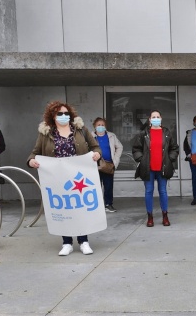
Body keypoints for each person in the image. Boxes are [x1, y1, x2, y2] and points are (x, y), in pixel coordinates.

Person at [27, 101, 101, 256]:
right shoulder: (45, 134)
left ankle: (83, 241)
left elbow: (95, 147)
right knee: (64, 209)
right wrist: (31, 161)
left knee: (80, 207)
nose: (63, 116)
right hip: (58, 178)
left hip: (78, 177)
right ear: (53, 116)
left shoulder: (80, 130)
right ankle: (66, 242)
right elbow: (34, 153)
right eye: (59, 113)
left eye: (66, 113)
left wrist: (97, 154)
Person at [131, 110, 179, 228]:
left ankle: (165, 216)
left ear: (161, 119)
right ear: (150, 120)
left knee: (163, 191)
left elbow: (174, 148)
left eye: (158, 116)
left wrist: (170, 159)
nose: (156, 118)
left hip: (163, 167)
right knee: (149, 191)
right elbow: (136, 149)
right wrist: (142, 160)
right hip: (148, 168)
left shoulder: (166, 133)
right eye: (154, 117)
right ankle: (150, 217)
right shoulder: (144, 133)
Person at [93, 117, 124, 213]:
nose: (101, 127)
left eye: (102, 125)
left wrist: (116, 160)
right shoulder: (91, 137)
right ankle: (95, 205)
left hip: (108, 166)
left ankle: (108, 204)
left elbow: (120, 147)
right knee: (95, 186)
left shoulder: (111, 136)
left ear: (105, 126)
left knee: (108, 186)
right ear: (95, 126)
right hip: (95, 166)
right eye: (98, 125)